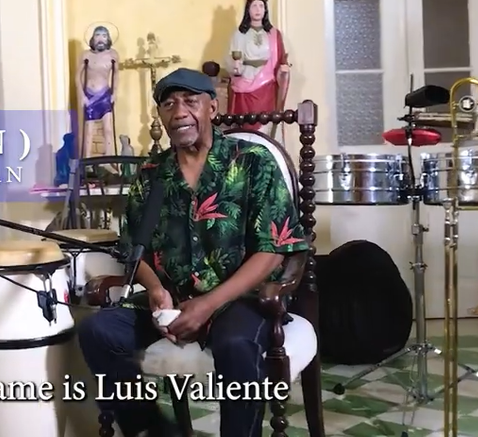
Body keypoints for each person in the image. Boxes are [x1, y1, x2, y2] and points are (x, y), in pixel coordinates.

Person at [78, 68, 309, 437]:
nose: (179, 111)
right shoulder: (151, 174)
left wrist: (208, 304)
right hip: (173, 299)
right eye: (169, 104)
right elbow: (134, 249)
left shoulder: (253, 162)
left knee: (237, 346)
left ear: (212, 107)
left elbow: (274, 249)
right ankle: (154, 430)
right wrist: (156, 290)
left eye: (190, 101)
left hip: (240, 298)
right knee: (97, 331)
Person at [228, 0, 290, 135]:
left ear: (265, 10)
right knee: (245, 124)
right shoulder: (239, 34)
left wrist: (283, 70)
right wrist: (235, 67)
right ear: (248, 9)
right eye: (254, 6)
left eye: (261, 6)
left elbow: (281, 59)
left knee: (265, 122)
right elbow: (232, 58)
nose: (257, 10)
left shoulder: (274, 34)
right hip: (245, 81)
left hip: (266, 84)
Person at [76, 25, 119, 159]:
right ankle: (87, 160)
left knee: (108, 129)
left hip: (105, 94)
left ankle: (109, 159)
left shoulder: (113, 55)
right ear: (93, 38)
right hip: (90, 95)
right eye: (97, 35)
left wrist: (115, 93)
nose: (100, 39)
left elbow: (116, 75)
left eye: (104, 36)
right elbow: (77, 77)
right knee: (88, 131)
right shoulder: (86, 55)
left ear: (108, 39)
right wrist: (82, 95)